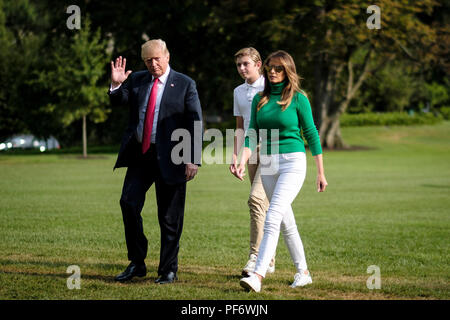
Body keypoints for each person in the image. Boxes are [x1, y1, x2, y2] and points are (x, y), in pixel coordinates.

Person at [233, 50, 328, 292]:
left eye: (278, 68)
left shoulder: (298, 98)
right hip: (267, 164)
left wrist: (320, 172)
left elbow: (312, 135)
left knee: (272, 215)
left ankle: (257, 275)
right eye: (270, 68)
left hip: (293, 163)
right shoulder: (259, 100)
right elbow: (251, 134)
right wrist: (242, 160)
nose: (273, 72)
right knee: (286, 221)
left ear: (288, 71)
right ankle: (303, 272)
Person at [109, 39, 202, 284]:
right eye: (148, 60)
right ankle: (137, 263)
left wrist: (193, 158)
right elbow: (118, 102)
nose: (153, 64)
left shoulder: (184, 84)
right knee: (128, 203)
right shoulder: (137, 79)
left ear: (167, 57)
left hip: (173, 158)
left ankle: (168, 269)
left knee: (170, 217)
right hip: (141, 155)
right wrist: (116, 85)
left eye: (157, 59)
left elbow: (195, 121)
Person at [229, 47, 276, 276]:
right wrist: (236, 155)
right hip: (249, 150)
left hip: (271, 147)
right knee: (264, 206)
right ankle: (270, 259)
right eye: (239, 65)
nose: (241, 68)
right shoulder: (238, 92)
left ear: (258, 65)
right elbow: (240, 127)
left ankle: (255, 258)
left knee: (256, 200)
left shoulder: (272, 87)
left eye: (246, 64)